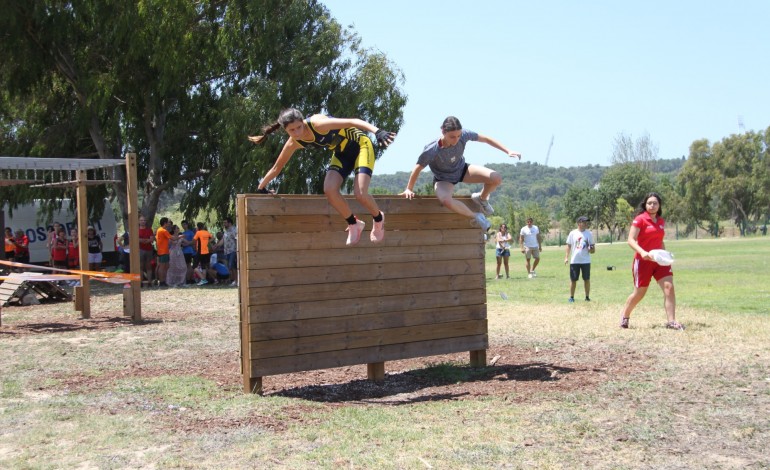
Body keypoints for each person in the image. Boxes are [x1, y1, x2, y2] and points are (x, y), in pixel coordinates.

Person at [249, 108, 395, 246]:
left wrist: (378, 131)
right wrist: (261, 187)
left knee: (360, 193)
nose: (297, 132)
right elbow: (276, 167)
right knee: (329, 189)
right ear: (285, 130)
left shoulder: (318, 124)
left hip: (361, 146)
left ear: (302, 121)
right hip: (341, 154)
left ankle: (378, 218)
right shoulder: (293, 142)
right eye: (291, 130)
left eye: (299, 127)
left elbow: (353, 121)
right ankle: (353, 223)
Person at [400, 116, 521, 232]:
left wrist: (508, 150)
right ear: (443, 131)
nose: (456, 139)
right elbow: (417, 168)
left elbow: (486, 139)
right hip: (443, 179)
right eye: (452, 137)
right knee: (445, 200)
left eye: (458, 135)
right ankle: (476, 216)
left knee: (496, 178)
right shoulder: (432, 149)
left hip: (462, 170)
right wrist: (409, 189)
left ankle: (482, 198)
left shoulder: (464, 134)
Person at [620, 192, 684, 330]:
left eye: (655, 203)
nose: (652, 205)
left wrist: (666, 257)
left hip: (659, 261)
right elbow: (630, 240)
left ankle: (671, 321)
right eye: (649, 203)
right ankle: (625, 316)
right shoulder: (640, 219)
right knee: (639, 293)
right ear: (645, 205)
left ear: (659, 205)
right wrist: (642, 252)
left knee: (669, 288)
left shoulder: (660, 221)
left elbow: (660, 241)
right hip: (642, 261)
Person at [564, 216, 595, 302]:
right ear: (578, 223)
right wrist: (566, 257)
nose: (585, 224)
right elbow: (568, 246)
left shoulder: (589, 234)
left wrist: (591, 249)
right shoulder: (572, 233)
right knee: (573, 280)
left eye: (586, 222)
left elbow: (593, 250)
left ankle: (587, 297)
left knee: (586, 279)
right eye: (583, 222)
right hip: (575, 261)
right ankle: (571, 297)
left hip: (586, 261)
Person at [155, 217, 173, 286]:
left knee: (166, 266)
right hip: (163, 251)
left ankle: (163, 281)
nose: (169, 223)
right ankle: (162, 281)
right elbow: (172, 238)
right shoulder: (163, 230)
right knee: (162, 267)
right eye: (168, 222)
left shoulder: (159, 230)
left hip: (163, 251)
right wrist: (180, 236)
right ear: (165, 223)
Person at [138, 216, 155, 286]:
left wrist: (144, 240)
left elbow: (152, 239)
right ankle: (140, 282)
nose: (143, 222)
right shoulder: (136, 230)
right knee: (141, 266)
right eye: (141, 220)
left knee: (149, 266)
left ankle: (149, 282)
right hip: (140, 249)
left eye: (144, 220)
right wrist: (143, 240)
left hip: (149, 249)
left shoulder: (149, 230)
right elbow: (136, 239)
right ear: (139, 221)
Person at [222, 217, 238, 285]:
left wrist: (237, 250)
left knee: (232, 266)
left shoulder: (234, 229)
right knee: (230, 266)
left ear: (229, 223)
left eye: (225, 222)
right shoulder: (226, 231)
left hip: (233, 250)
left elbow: (236, 239)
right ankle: (234, 280)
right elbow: (223, 240)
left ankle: (236, 281)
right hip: (227, 251)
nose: (224, 224)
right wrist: (215, 246)